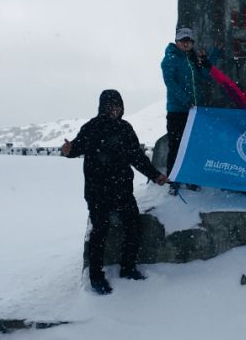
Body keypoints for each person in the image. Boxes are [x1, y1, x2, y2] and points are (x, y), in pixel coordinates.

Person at [62, 89, 168, 295]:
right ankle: (96, 276)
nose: (115, 110)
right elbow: (75, 149)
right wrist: (67, 150)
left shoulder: (125, 128)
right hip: (97, 191)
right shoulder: (91, 128)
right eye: (111, 106)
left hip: (122, 189)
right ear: (103, 107)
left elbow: (137, 157)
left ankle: (128, 268)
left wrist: (155, 175)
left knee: (134, 226)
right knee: (100, 231)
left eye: (118, 106)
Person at [160, 26, 213, 192]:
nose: (186, 43)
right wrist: (185, 100)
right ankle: (173, 180)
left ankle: (190, 178)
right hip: (177, 110)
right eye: (182, 40)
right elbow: (170, 83)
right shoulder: (170, 58)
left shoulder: (192, 58)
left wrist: (206, 61)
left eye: (188, 40)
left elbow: (204, 76)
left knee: (191, 145)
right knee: (176, 145)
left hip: (194, 111)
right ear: (176, 41)